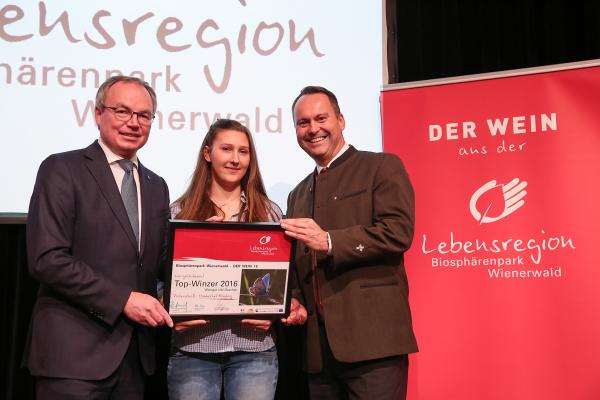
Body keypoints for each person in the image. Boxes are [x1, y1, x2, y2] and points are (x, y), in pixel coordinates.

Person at [25, 76, 173, 399]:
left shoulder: (156, 185)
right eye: (122, 111)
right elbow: (46, 259)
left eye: (144, 115)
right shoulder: (62, 169)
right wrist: (122, 299)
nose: (133, 123)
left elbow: (161, 264)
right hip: (72, 359)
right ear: (97, 114)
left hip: (135, 361)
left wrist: (206, 245)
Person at [280, 86, 418, 399]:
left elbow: (398, 231)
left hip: (374, 345)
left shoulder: (381, 166)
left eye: (321, 118)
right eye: (303, 123)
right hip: (317, 354)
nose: (313, 129)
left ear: (341, 120)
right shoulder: (297, 193)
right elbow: (299, 261)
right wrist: (296, 298)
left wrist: (329, 240)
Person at [168, 119, 307, 400]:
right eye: (226, 149)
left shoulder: (270, 213)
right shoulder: (180, 211)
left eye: (243, 152)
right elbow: (161, 278)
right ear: (208, 153)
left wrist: (277, 311)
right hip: (193, 350)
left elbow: (281, 282)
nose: (235, 159)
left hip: (254, 351)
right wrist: (171, 310)